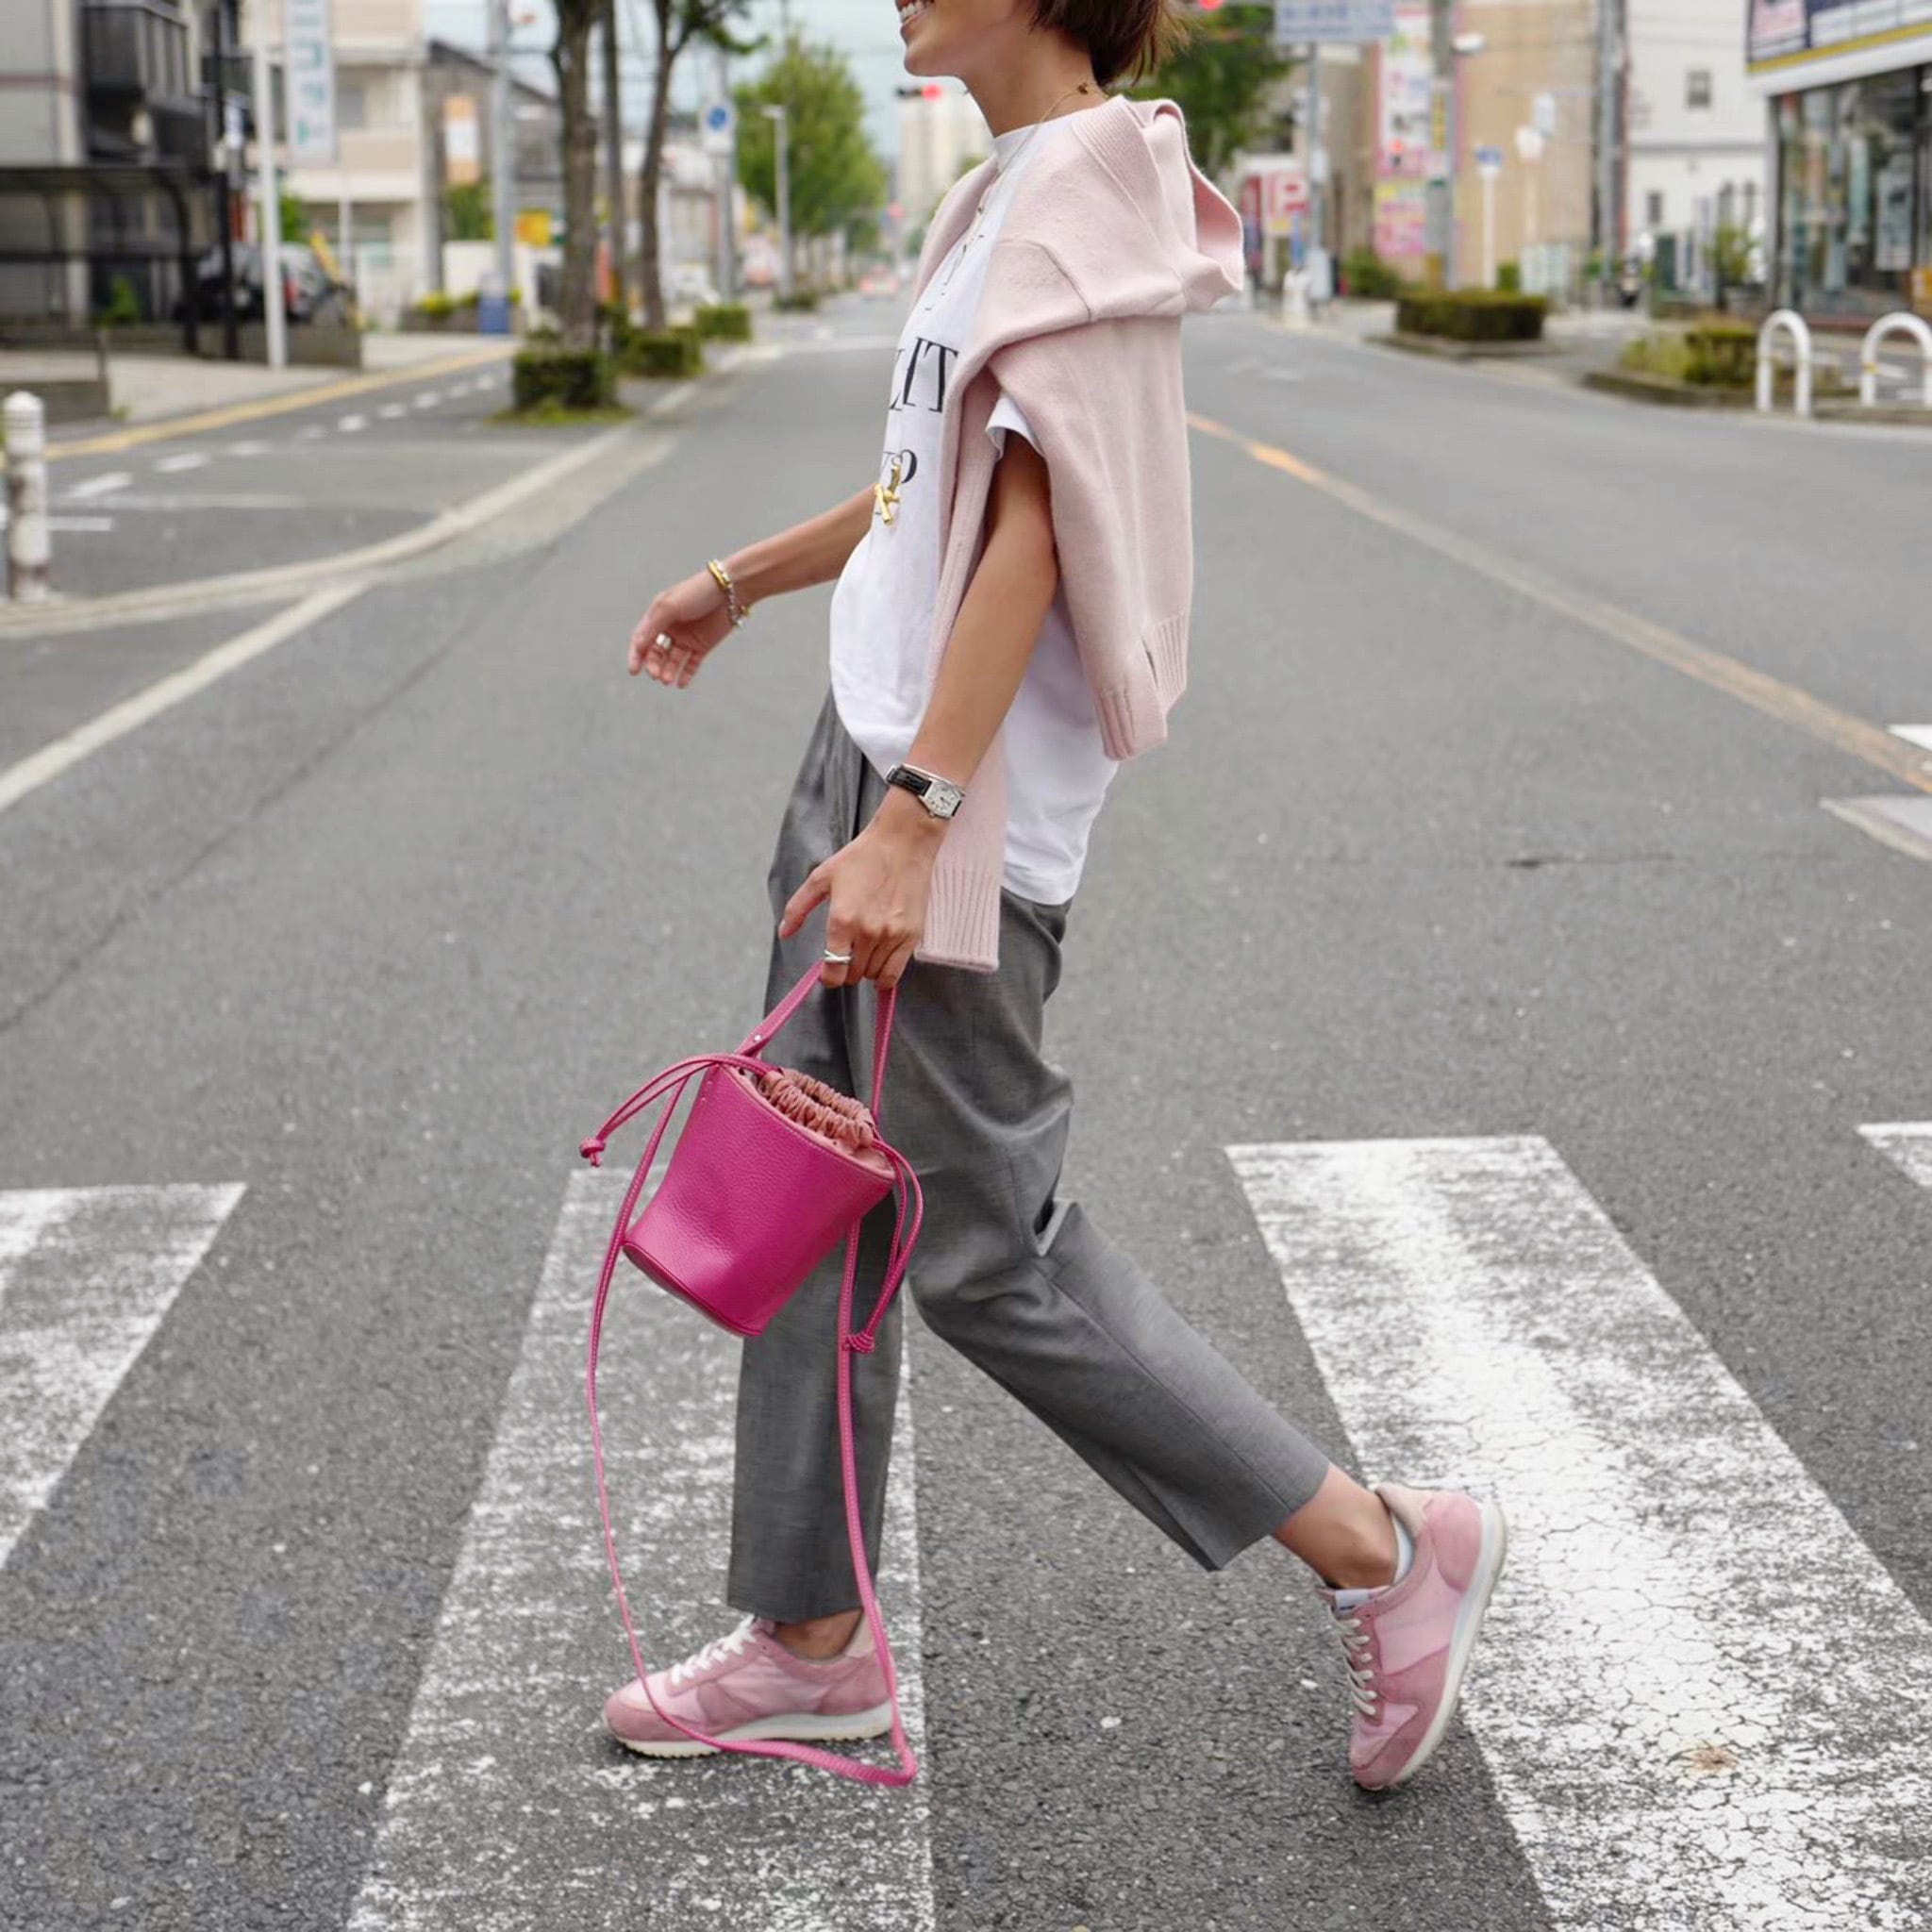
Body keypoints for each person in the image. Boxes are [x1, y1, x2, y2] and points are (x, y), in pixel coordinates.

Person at [608, 0, 1507, 1793]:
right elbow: (922, 485)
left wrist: (921, 816)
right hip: (869, 757)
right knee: (808, 1191)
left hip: (944, 796)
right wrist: (747, 579)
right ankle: (808, 1641)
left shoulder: (1089, 199)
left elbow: (1038, 529)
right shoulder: (1003, 195)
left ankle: (1383, 1549)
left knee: (983, 1252)